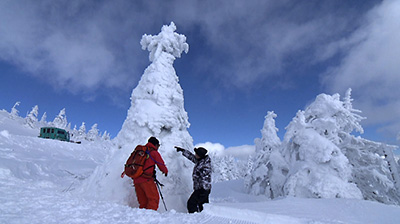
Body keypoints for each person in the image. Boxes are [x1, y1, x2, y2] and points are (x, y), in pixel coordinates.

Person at [121, 137, 168, 210]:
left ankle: (142, 218)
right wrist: (165, 171)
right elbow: (161, 165)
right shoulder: (153, 153)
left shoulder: (141, 151)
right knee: (153, 199)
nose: (158, 147)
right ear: (155, 145)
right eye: (158, 145)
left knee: (143, 202)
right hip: (147, 180)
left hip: (136, 180)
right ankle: (149, 218)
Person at [175, 146, 211, 213]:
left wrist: (198, 174)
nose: (195, 155)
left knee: (192, 203)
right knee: (202, 205)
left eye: (196, 154)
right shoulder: (200, 160)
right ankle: (202, 217)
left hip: (203, 189)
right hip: (200, 188)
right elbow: (192, 157)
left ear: (200, 155)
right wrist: (183, 151)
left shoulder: (205, 164)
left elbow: (205, 176)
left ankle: (194, 218)